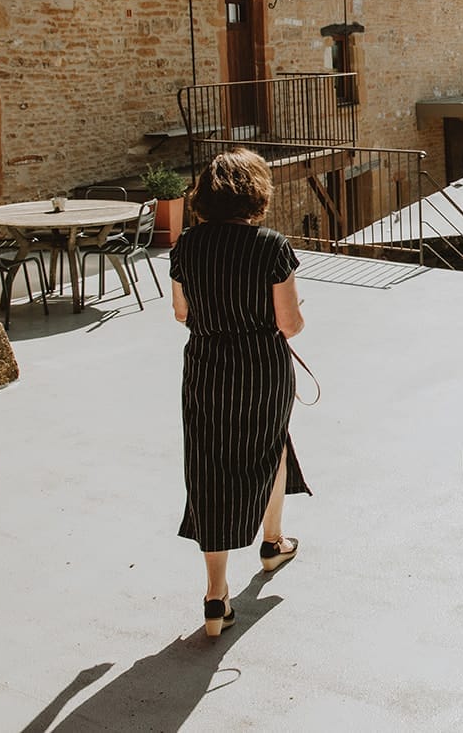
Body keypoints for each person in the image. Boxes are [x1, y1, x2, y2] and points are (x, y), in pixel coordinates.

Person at [169, 148, 310, 638]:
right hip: (261, 369)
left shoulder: (186, 247)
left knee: (208, 468)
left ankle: (215, 595)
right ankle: (272, 542)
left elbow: (182, 314)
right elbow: (289, 324)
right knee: (269, 449)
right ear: (255, 194)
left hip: (206, 368)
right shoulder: (271, 245)